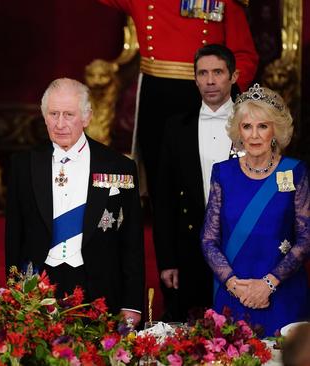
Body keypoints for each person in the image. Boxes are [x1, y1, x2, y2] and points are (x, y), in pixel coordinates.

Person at [5, 78, 144, 325]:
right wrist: (15, 293)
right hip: (40, 285)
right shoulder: (23, 165)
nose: (59, 124)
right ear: (44, 116)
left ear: (87, 117)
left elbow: (132, 241)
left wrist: (132, 303)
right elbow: (14, 237)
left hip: (98, 286)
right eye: (53, 114)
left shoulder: (118, 166)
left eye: (68, 114)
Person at [95, 0, 258, 208]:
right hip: (155, 104)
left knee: (207, 188)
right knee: (161, 190)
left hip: (206, 102)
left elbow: (244, 55)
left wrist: (226, 96)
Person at [201, 84, 309, 336]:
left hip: (283, 293)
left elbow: (306, 237)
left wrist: (269, 283)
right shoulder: (223, 172)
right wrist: (233, 284)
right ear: (238, 131)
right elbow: (208, 239)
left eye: (263, 126)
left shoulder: (294, 171)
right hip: (234, 293)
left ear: (275, 130)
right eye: (247, 126)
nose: (254, 135)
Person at [153, 44, 240, 322]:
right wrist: (167, 261)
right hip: (190, 249)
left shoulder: (254, 123)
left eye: (218, 72)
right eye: (203, 73)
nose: (210, 80)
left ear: (233, 76)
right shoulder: (176, 127)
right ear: (195, 78)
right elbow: (163, 199)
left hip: (240, 244)